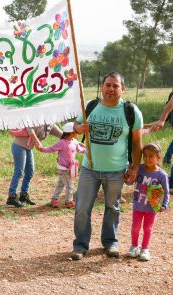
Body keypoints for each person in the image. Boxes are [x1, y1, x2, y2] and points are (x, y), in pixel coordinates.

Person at [71, 72, 143, 260]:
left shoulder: (131, 111)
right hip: (89, 168)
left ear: (123, 89)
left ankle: (110, 242)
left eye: (115, 86)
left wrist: (135, 167)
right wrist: (78, 128)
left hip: (117, 170)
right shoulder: (90, 106)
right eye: (108, 85)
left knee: (113, 207)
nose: (111, 89)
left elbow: (137, 143)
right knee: (82, 208)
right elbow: (74, 125)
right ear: (102, 87)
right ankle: (80, 245)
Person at [127, 143, 169, 262]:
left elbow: (166, 192)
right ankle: (134, 246)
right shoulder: (138, 168)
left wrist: (164, 204)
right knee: (135, 227)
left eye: (151, 156)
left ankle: (145, 249)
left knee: (147, 228)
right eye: (145, 156)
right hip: (138, 205)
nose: (147, 159)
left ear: (158, 157)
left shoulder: (162, 175)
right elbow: (130, 182)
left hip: (152, 207)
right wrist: (127, 178)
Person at [6, 124, 62, 207]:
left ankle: (23, 196)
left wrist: (73, 138)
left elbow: (63, 135)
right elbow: (30, 131)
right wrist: (38, 142)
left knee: (30, 172)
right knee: (19, 171)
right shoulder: (35, 119)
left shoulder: (50, 124)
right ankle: (11, 197)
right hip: (19, 146)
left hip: (28, 149)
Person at [37, 122, 86, 209]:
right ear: (71, 133)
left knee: (61, 184)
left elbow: (80, 149)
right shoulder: (62, 142)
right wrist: (42, 149)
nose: (77, 134)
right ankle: (69, 202)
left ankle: (54, 200)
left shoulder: (74, 142)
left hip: (69, 167)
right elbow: (51, 148)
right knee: (70, 185)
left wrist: (87, 150)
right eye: (76, 132)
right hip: (63, 168)